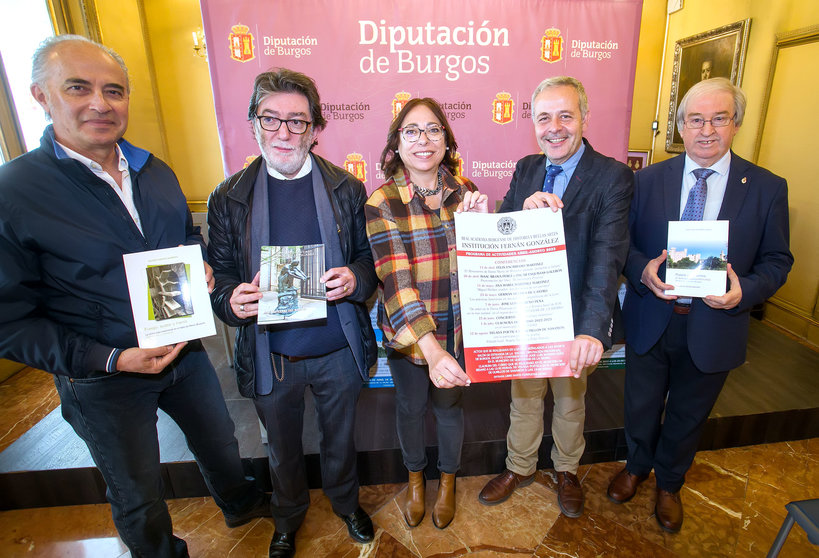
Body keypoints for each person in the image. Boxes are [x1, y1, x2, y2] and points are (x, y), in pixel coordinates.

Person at [0, 35, 269, 558]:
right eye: (78, 87)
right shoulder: (14, 193)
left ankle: (239, 504)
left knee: (220, 444)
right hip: (103, 375)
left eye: (114, 91)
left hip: (185, 353)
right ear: (40, 95)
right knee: (136, 489)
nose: (100, 104)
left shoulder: (153, 169)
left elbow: (183, 238)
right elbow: (9, 321)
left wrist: (200, 263)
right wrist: (111, 357)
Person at [607, 77, 792, 533]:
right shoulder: (646, 180)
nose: (706, 129)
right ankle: (636, 467)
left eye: (718, 118)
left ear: (736, 124)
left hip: (715, 323)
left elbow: (777, 260)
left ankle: (669, 483)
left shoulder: (767, 188)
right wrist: (641, 270)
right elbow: (622, 246)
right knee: (640, 405)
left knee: (690, 414)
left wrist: (743, 292)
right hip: (653, 316)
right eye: (695, 119)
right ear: (680, 126)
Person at [207, 68, 377, 557]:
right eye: (271, 119)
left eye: (297, 121)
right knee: (280, 449)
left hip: (337, 347)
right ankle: (287, 518)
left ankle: (346, 504)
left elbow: (369, 261)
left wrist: (356, 279)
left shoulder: (347, 187)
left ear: (315, 128)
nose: (284, 132)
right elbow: (217, 277)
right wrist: (232, 302)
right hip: (272, 353)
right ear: (253, 123)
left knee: (340, 439)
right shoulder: (228, 196)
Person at [478, 76, 633, 519]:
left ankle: (566, 470)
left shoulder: (612, 176)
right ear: (533, 123)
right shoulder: (527, 166)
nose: (555, 127)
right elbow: (503, 223)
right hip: (528, 312)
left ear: (584, 117)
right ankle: (520, 466)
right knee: (523, 395)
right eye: (544, 117)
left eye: (566, 115)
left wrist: (591, 329)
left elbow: (608, 257)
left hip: (575, 314)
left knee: (570, 399)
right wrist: (519, 212)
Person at [365, 98, 488, 530]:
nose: (424, 139)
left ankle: (448, 482)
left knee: (450, 409)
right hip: (408, 333)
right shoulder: (382, 201)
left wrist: (482, 228)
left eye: (434, 129)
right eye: (412, 130)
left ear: (446, 141)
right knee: (411, 407)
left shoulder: (465, 191)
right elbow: (395, 282)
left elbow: (480, 269)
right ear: (397, 144)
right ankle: (417, 480)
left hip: (457, 326)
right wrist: (432, 351)